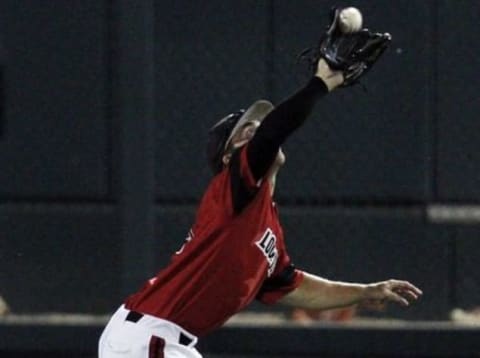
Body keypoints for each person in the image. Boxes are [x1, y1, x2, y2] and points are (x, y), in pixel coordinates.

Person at [98, 57, 422, 358]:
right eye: (244, 133)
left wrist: (364, 292)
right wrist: (320, 83)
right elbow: (272, 133)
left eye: (256, 126)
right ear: (229, 159)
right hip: (149, 338)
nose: (255, 131)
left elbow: (295, 287)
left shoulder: (264, 225)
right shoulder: (233, 190)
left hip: (160, 340)